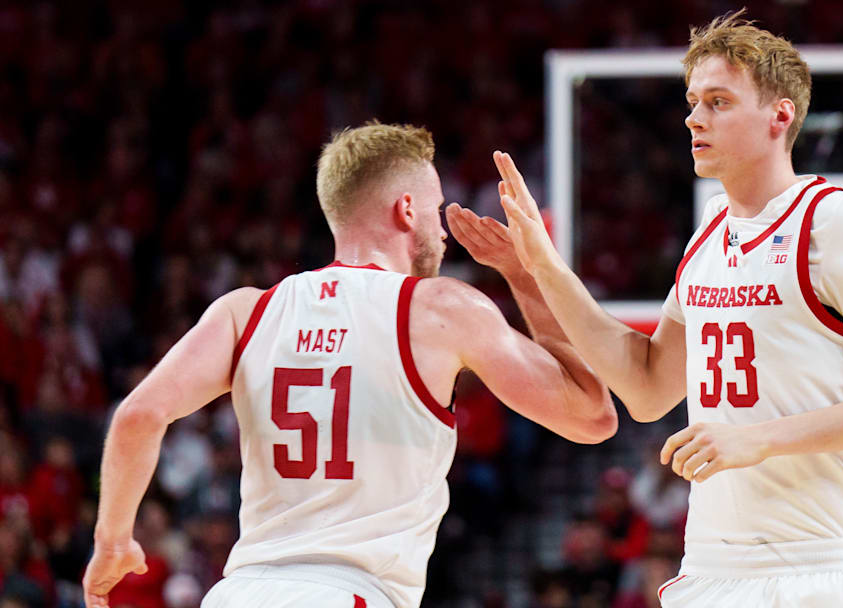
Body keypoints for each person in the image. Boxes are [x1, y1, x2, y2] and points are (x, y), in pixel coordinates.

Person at [456, 11, 843, 607]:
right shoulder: (709, 233)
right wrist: (543, 267)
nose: (695, 117)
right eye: (693, 101)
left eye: (719, 101)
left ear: (780, 117)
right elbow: (645, 388)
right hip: (712, 567)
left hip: (817, 566)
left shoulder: (839, 222)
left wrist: (761, 439)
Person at [82, 122, 617, 608]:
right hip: (350, 593)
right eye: (435, 212)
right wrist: (525, 275)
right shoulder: (441, 309)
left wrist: (112, 541)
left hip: (239, 592)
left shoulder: (246, 310)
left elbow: (137, 416)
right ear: (407, 210)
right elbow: (592, 416)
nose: (445, 231)